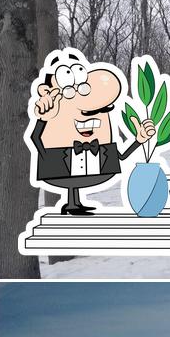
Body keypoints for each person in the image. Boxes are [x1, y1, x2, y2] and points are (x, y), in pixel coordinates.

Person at [28, 50, 156, 215]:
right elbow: (34, 136)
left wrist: (139, 139)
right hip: (60, 161)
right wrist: (46, 154)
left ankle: (75, 203)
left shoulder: (102, 145)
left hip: (91, 162)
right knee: (70, 178)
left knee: (76, 179)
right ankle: (72, 203)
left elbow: (121, 156)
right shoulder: (52, 112)